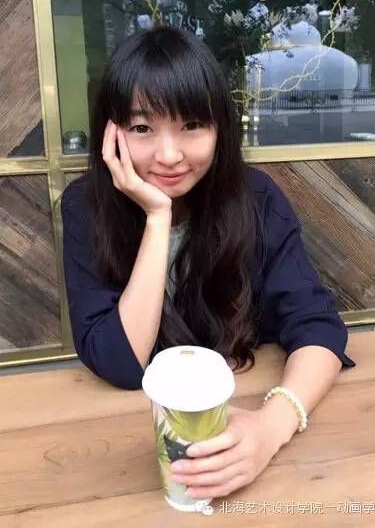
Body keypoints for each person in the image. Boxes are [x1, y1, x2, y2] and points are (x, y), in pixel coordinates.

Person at [61, 25, 355, 500]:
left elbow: (318, 328)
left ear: (221, 129)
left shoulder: (257, 200)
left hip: (247, 421)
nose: (169, 155)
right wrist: (157, 217)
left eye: (192, 125)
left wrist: (272, 426)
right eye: (142, 128)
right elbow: (120, 363)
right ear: (111, 134)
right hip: (127, 445)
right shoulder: (86, 208)